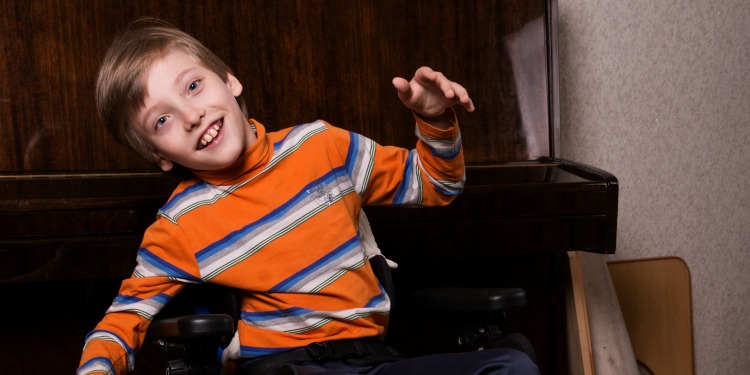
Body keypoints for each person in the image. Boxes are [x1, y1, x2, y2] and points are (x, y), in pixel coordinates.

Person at [77, 18, 539, 375]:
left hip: (373, 362)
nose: (192, 115)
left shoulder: (322, 146)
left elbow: (437, 185)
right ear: (159, 155)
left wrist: (435, 119)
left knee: (510, 366)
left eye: (194, 86)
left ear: (230, 81)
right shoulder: (179, 223)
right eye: (162, 121)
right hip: (287, 367)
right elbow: (123, 320)